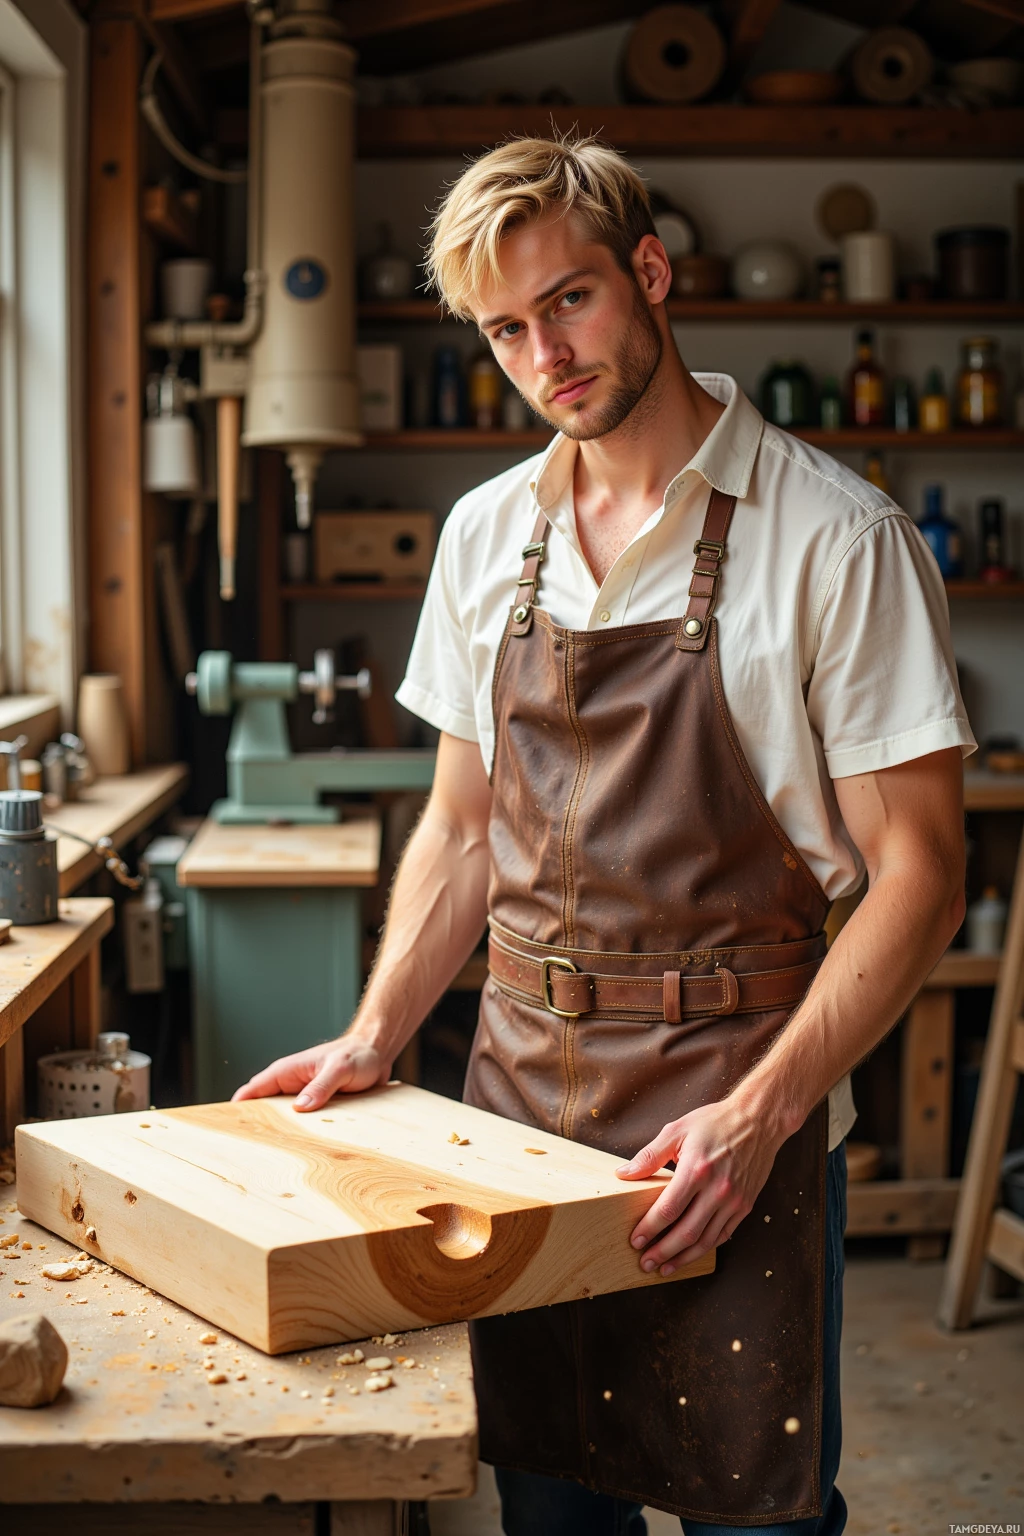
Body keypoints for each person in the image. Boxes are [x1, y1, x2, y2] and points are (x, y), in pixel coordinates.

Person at [234, 135, 974, 1534]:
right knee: (554, 1506)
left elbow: (924, 880)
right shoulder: (483, 536)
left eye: (567, 301)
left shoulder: (835, 537)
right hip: (522, 1120)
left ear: (650, 272)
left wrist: (761, 1121)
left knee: (755, 1507)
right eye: (507, 328)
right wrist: (374, 1034)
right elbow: (459, 830)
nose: (543, 354)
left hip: (737, 1107)